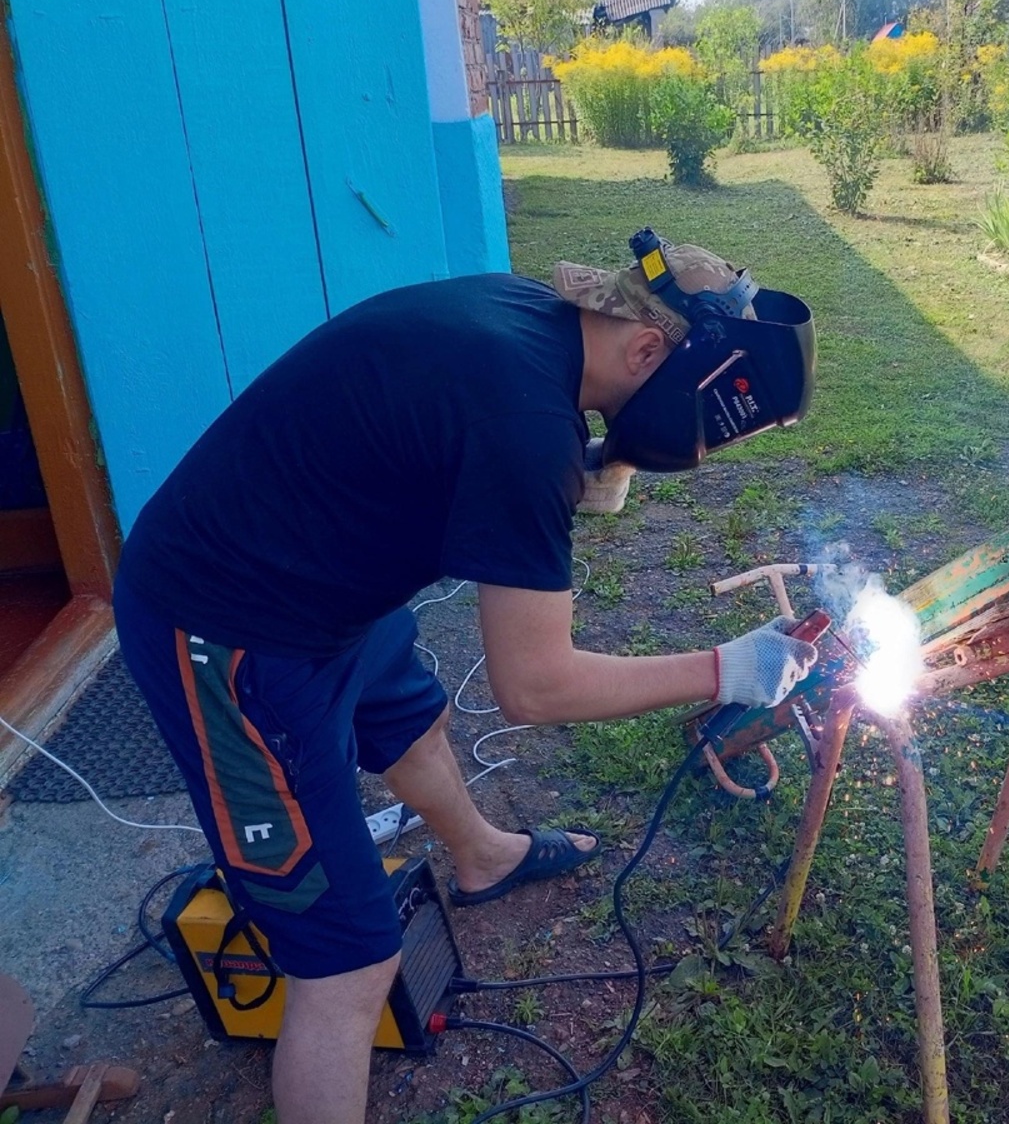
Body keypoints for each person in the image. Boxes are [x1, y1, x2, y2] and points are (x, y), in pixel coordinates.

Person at [113, 231, 820, 1124]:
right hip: (226, 629)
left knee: (405, 712)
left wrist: (602, 462)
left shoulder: (526, 320)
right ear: (647, 350)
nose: (704, 449)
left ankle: (483, 856)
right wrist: (732, 667)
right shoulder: (527, 428)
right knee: (346, 963)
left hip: (316, 578)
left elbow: (465, 446)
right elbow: (536, 688)